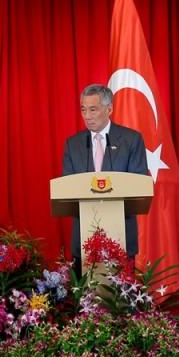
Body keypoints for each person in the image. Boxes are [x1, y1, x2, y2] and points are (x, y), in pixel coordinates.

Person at [62, 84, 149, 273]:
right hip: (83, 237)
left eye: (93, 109)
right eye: (83, 109)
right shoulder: (73, 144)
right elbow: (66, 190)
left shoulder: (131, 140)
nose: (87, 116)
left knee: (119, 291)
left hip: (121, 235)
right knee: (84, 292)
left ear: (109, 109)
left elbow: (139, 185)